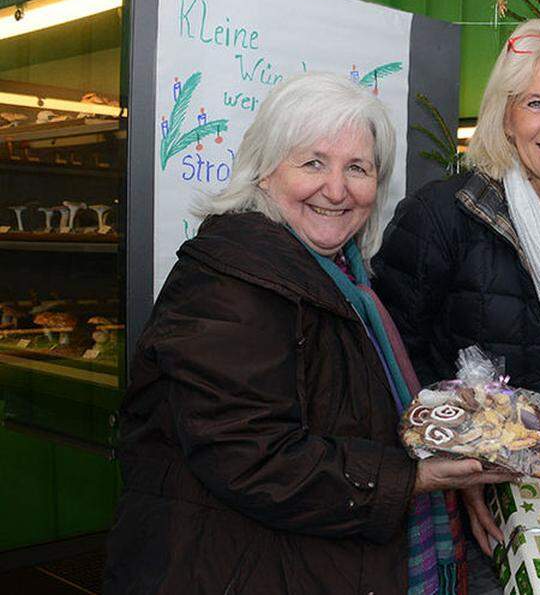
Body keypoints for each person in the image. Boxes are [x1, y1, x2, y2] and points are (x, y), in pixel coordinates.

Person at [103, 73, 515, 594]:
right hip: (225, 568)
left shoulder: (344, 279)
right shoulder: (231, 279)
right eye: (313, 162)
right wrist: (414, 478)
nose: (337, 190)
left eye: (358, 168)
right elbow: (252, 456)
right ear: (264, 171)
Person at [372, 19, 540, 585]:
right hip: (466, 505)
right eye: (535, 104)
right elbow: (389, 358)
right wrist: (458, 466)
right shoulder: (443, 215)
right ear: (505, 116)